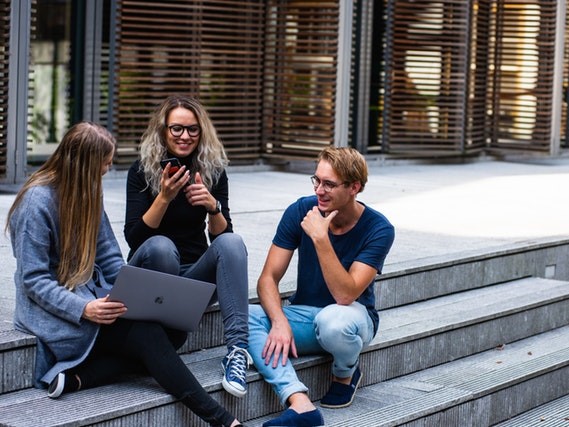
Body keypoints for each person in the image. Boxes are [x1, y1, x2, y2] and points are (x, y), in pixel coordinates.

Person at [6, 122, 246, 427]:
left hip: (94, 301)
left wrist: (128, 294)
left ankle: (82, 377)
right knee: (149, 336)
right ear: (84, 164)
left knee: (173, 333)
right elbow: (34, 280)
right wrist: (84, 308)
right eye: (104, 164)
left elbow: (109, 258)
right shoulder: (36, 202)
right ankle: (223, 420)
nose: (107, 170)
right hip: (57, 313)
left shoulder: (88, 193)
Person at [248, 147, 395, 426]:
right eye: (316, 180)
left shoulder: (379, 229)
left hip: (351, 318)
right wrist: (279, 321)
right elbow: (268, 278)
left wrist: (321, 238)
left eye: (329, 184)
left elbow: (346, 294)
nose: (319, 190)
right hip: (305, 315)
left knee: (334, 321)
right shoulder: (301, 210)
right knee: (244, 317)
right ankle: (299, 402)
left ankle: (345, 372)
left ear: (354, 187)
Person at [124, 95, 251, 398]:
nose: (185, 136)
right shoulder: (142, 170)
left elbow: (223, 240)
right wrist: (164, 197)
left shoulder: (213, 170)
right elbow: (135, 238)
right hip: (152, 274)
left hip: (192, 280)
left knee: (232, 243)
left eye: (193, 130)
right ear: (163, 131)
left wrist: (213, 207)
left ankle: (237, 352)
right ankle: (159, 340)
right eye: (177, 129)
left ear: (202, 131)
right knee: (162, 247)